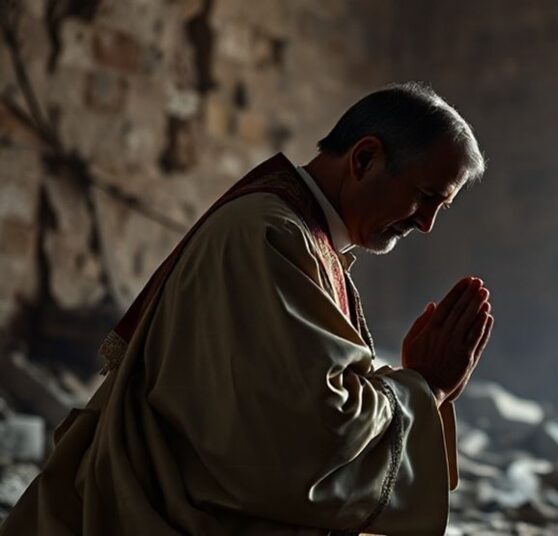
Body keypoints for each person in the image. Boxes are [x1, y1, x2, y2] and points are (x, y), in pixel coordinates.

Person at [0, 82, 493, 536]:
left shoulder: (307, 239)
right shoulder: (268, 235)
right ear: (364, 158)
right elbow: (299, 441)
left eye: (439, 208)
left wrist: (418, 389)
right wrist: (423, 386)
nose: (426, 224)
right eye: (424, 197)